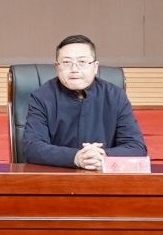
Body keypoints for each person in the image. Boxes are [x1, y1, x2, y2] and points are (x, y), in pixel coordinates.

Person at [19, 35, 147, 170]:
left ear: (95, 67)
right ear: (57, 67)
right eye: (66, 62)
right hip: (59, 174)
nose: (74, 69)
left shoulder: (115, 96)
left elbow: (136, 147)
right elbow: (32, 147)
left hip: (103, 175)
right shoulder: (42, 97)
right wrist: (75, 157)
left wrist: (103, 156)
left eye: (82, 62)